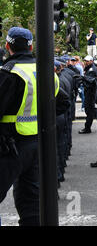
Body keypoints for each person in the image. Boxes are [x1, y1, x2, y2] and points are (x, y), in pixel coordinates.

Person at [0, 27, 59, 226]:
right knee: (32, 202)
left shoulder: (9, 73)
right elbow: (63, 103)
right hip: (38, 144)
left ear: (8, 46)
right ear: (31, 46)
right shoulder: (47, 71)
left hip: (9, 145)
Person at [77, 55, 97, 134]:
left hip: (91, 93)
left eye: (87, 61)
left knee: (89, 111)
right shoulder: (89, 68)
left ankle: (87, 128)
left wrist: (82, 79)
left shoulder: (92, 69)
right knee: (90, 110)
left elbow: (90, 82)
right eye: (85, 61)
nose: (86, 62)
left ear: (91, 61)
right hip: (89, 92)